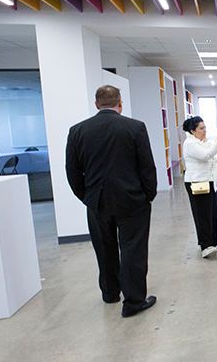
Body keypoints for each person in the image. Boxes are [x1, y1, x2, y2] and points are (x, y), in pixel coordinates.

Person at [65, 85, 158, 318]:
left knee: (104, 248)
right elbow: (146, 166)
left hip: (97, 201)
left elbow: (72, 171)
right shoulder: (135, 128)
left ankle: (110, 293)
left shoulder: (77, 131)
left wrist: (86, 196)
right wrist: (149, 195)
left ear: (96, 105)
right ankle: (134, 301)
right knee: (133, 250)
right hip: (132, 200)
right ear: (120, 103)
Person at [181, 116, 217, 258]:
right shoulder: (189, 144)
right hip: (197, 182)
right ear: (193, 131)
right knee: (202, 213)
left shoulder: (203, 142)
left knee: (212, 212)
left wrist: (215, 143)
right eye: (201, 128)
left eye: (205, 127)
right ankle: (205, 244)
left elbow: (213, 153)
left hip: (210, 181)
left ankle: (213, 241)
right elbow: (207, 155)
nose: (204, 131)